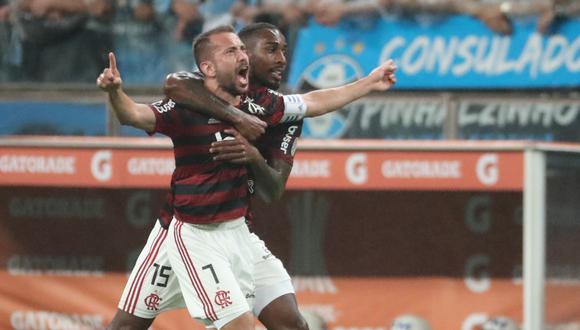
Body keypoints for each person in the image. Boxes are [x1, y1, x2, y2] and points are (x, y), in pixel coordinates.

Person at [101, 23, 396, 329]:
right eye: (237, 50)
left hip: (238, 231)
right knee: (129, 325)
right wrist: (115, 93)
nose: (281, 58)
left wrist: (367, 83)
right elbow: (142, 108)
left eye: (243, 49)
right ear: (211, 67)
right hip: (186, 230)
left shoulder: (267, 105)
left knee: (292, 323)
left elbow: (314, 102)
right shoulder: (188, 101)